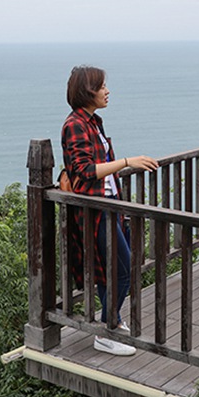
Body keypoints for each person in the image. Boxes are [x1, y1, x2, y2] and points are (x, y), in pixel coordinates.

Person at [61, 66, 159, 356]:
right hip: (95, 209)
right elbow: (85, 170)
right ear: (87, 91)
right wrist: (128, 161)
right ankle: (106, 331)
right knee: (123, 270)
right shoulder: (74, 125)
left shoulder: (93, 121)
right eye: (102, 86)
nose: (107, 91)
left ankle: (111, 321)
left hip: (109, 204)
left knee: (109, 271)